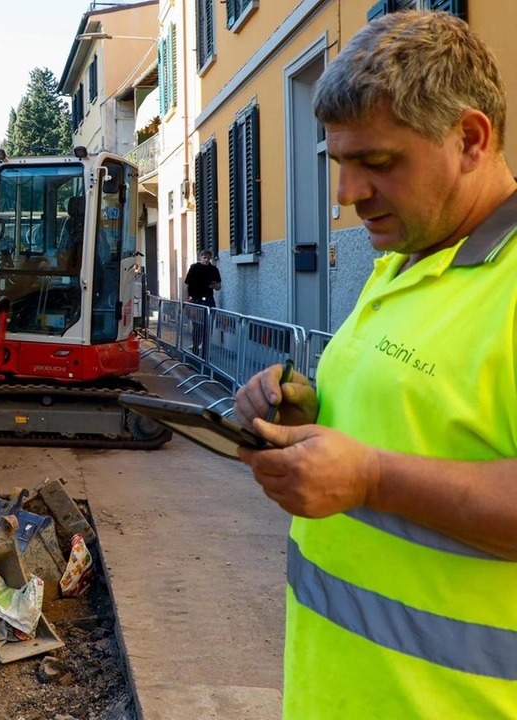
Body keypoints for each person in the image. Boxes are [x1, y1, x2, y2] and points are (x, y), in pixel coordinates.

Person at [232, 11, 517, 718]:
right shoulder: (403, 260)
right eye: (339, 163)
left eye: (379, 164)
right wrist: (300, 405)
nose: (346, 194)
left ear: (471, 139)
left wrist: (372, 478)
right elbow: (409, 414)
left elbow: (376, 468)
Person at [184, 249, 221, 354]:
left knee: (208, 328)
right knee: (197, 327)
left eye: (209, 258)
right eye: (204, 257)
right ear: (200, 257)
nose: (206, 260)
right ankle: (195, 350)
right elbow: (187, 284)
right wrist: (187, 299)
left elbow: (219, 286)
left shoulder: (214, 269)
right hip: (196, 301)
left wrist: (215, 286)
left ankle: (205, 354)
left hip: (209, 301)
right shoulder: (194, 268)